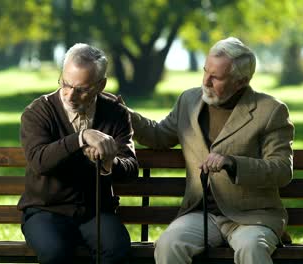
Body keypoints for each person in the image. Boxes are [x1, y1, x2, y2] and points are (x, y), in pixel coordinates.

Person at [123, 37, 294, 264]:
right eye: (205, 71)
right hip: (200, 214)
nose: (206, 81)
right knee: (168, 245)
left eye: (216, 77)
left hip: (252, 217)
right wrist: (123, 113)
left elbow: (281, 170)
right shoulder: (189, 100)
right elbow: (158, 136)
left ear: (240, 82)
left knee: (252, 249)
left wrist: (233, 163)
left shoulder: (270, 111)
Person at [17, 43, 138, 264]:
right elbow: (39, 162)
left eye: (82, 89)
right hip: (45, 211)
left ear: (101, 85)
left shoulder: (115, 113)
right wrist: (81, 137)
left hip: (96, 212)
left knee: (116, 248)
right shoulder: (37, 112)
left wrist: (109, 162)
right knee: (55, 253)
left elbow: (131, 168)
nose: (70, 95)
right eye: (66, 84)